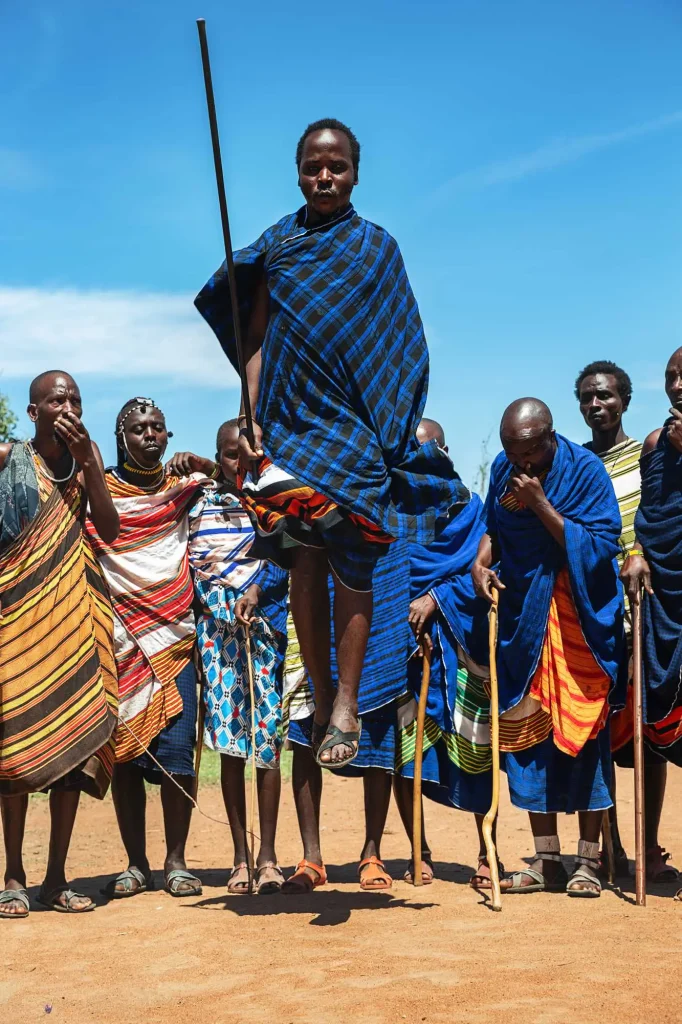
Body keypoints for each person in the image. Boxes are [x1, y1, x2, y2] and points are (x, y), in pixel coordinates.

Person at [196, 118, 467, 771]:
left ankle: (345, 702)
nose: (324, 177)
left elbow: (403, 347)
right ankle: (319, 700)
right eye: (314, 167)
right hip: (288, 431)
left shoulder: (377, 249)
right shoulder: (279, 247)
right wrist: (251, 414)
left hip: (354, 436)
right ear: (297, 171)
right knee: (304, 563)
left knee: (354, 567)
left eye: (337, 167)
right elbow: (255, 339)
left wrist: (391, 429)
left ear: (355, 172)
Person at [472, 398, 624, 898]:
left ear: (549, 439)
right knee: (530, 738)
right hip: (525, 624)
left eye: (528, 454)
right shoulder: (504, 469)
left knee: (582, 739)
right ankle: (545, 860)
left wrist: (539, 503)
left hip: (577, 624)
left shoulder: (586, 472)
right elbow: (495, 529)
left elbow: (601, 546)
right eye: (511, 454)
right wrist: (480, 563)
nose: (519, 464)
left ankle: (588, 862)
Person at [0, 371, 119, 918]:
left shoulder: (85, 457)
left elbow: (110, 529)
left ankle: (55, 877)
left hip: (74, 619)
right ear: (33, 412)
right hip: (19, 622)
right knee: (16, 750)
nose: (67, 406)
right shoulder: (7, 461)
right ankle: (14, 876)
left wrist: (91, 464)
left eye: (74, 398)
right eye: (56, 399)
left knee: (72, 747)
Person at [237, 536, 411, 892]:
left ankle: (372, 852)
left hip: (377, 618)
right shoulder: (304, 491)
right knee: (305, 736)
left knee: (377, 734)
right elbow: (286, 547)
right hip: (310, 624)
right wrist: (257, 589)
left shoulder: (377, 487)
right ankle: (311, 858)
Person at [88, 398, 210, 900]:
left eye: (158, 427)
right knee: (130, 758)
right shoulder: (98, 493)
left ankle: (176, 861)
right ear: (122, 438)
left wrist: (202, 464)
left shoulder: (182, 489)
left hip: (175, 638)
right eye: (138, 429)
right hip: (120, 640)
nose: (150, 436)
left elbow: (241, 487)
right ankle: (136, 865)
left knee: (179, 754)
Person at [576, 360, 675, 884]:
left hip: (645, 601)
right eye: (588, 398)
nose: (597, 405)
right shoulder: (575, 462)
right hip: (594, 609)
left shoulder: (649, 456)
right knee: (600, 726)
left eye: (606, 396)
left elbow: (656, 517)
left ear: (625, 401)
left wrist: (639, 551)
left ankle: (650, 842)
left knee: (649, 726)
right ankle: (608, 843)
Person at [394, 418, 497, 889]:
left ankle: (485, 849)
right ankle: (420, 850)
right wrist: (410, 616)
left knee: (475, 749)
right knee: (408, 753)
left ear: (447, 450)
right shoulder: (394, 511)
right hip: (410, 650)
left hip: (463, 646)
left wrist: (436, 599)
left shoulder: (473, 510)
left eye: (431, 449)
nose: (423, 460)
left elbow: (480, 574)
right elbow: (389, 576)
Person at [186, 420, 288, 895]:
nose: (240, 464)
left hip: (266, 629)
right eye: (231, 455)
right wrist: (221, 600)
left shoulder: (273, 502)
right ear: (219, 456)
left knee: (267, 743)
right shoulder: (200, 504)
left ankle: (269, 856)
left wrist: (256, 591)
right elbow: (193, 565)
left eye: (248, 456)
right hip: (218, 636)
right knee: (229, 744)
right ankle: (240, 857)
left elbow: (286, 557)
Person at [625, 347, 682, 898]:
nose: (679, 384)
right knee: (657, 727)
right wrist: (638, 550)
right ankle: (649, 846)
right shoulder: (654, 445)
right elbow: (650, 515)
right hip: (663, 603)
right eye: (671, 376)